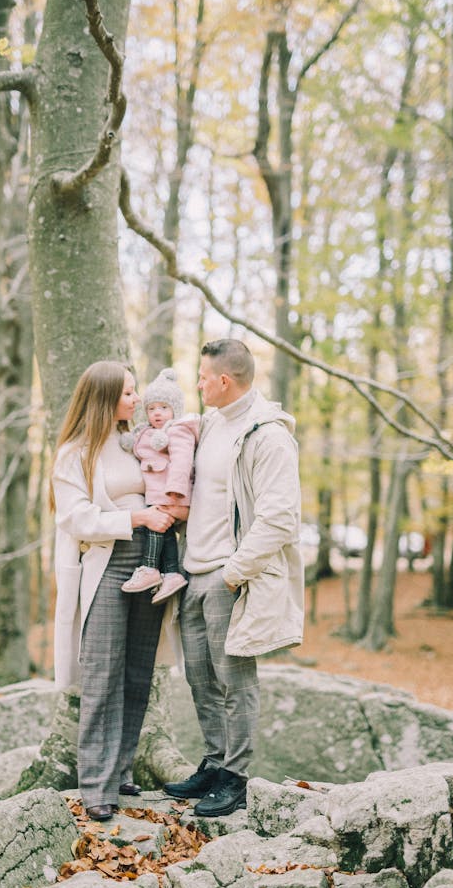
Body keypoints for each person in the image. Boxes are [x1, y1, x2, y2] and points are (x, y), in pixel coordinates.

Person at [163, 339, 304, 817]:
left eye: (203, 376)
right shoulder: (208, 426)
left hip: (230, 576)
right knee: (200, 678)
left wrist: (234, 571)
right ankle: (214, 763)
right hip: (193, 572)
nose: (198, 384)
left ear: (224, 380)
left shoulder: (267, 435)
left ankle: (237, 778)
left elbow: (281, 516)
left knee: (234, 679)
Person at [51, 360, 176, 822]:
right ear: (104, 398)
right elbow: (75, 518)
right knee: (102, 673)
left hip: (153, 564)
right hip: (108, 563)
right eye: (127, 392)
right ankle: (95, 785)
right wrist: (137, 518)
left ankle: (121, 768)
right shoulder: (75, 454)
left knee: (138, 671)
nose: (137, 399)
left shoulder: (136, 443)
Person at [121, 368, 198, 605]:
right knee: (162, 531)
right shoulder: (148, 432)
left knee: (155, 528)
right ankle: (173, 573)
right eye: (152, 409)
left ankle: (150, 566)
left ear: (175, 409)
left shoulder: (178, 431)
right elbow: (139, 447)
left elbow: (183, 460)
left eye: (163, 408)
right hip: (159, 493)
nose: (157, 413)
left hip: (171, 493)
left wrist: (175, 489)